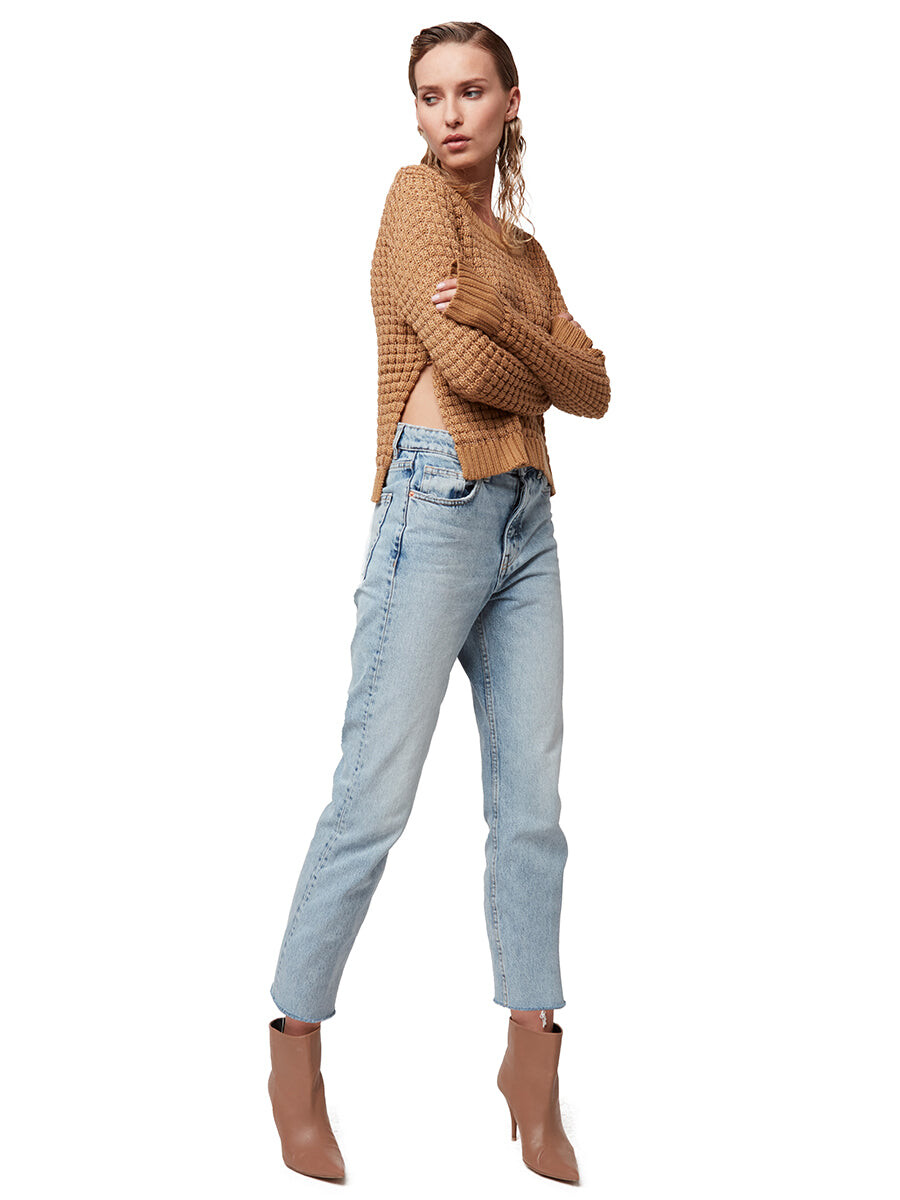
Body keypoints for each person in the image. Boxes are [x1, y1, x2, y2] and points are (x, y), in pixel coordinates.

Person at [266, 20, 610, 1183]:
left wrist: (500, 320)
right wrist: (519, 355)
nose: (449, 114)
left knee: (531, 810)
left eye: (470, 92)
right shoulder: (414, 203)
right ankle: (294, 1056)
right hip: (436, 509)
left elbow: (595, 387)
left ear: (511, 101)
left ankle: (531, 1069)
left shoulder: (526, 255)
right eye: (430, 95)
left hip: (528, 526)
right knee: (372, 799)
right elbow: (463, 373)